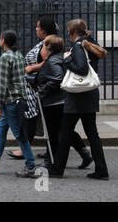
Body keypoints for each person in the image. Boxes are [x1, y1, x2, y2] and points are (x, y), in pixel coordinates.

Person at [8, 17, 93, 170]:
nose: (36, 29)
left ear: (44, 30)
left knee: (56, 128)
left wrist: (34, 73)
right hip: (47, 94)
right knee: (58, 128)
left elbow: (51, 66)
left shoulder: (49, 44)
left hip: (50, 96)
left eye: (38, 26)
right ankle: (69, 154)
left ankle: (53, 159)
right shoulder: (49, 43)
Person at [49, 19, 109, 180]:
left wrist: (66, 59)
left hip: (77, 96)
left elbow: (82, 69)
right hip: (90, 94)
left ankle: (57, 169)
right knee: (92, 134)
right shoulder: (89, 42)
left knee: (65, 132)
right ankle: (102, 170)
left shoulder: (77, 46)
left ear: (72, 32)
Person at [0, 30, 38, 178]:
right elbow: (22, 80)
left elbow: (3, 85)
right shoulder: (18, 55)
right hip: (18, 100)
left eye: (0, 37)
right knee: (1, 132)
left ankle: (30, 166)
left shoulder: (5, 58)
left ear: (3, 40)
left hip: (11, 103)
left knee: (20, 135)